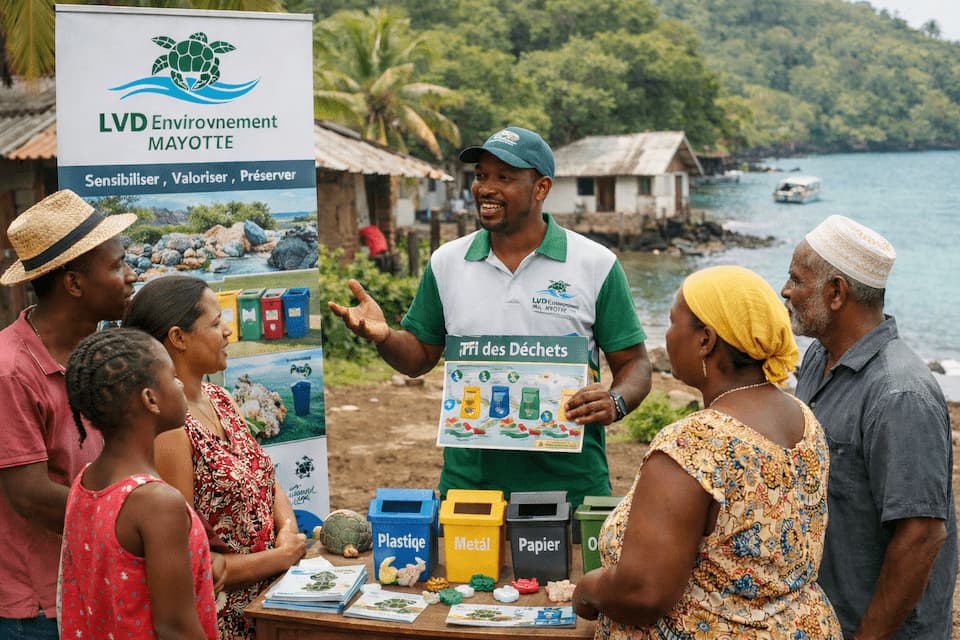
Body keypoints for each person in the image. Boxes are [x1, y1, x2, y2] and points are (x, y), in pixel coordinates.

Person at [328, 126, 652, 509]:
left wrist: (615, 402)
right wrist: (384, 337)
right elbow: (418, 357)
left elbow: (635, 365)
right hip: (471, 488)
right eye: (481, 176)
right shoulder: (447, 263)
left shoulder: (594, 264)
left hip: (573, 487)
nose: (486, 188)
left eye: (505, 177)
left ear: (541, 188)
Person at [573, 265, 842, 639]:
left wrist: (587, 590)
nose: (665, 336)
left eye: (671, 322)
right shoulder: (804, 419)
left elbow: (643, 593)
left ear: (705, 340)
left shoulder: (694, 444)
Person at [782, 215, 956, 639]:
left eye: (796, 279)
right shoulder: (818, 361)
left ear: (836, 293)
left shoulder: (899, 395)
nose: (785, 291)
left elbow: (920, 538)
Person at [122, 274, 307, 640]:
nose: (227, 331)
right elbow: (188, 561)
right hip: (226, 620)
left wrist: (287, 530)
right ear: (178, 338)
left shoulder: (219, 398)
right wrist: (280, 557)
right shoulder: (170, 429)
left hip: (273, 601)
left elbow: (264, 477)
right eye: (215, 322)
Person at [0, 189, 137, 639]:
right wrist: (138, 523)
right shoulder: (11, 370)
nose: (130, 276)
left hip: (93, 579)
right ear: (74, 284)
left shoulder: (100, 353)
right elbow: (31, 495)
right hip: (37, 608)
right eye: (116, 266)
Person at [60, 327, 218, 640]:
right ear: (150, 399)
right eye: (172, 376)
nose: (179, 384)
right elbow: (176, 630)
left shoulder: (86, 481)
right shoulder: (157, 503)